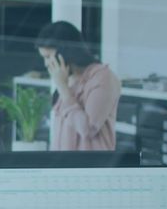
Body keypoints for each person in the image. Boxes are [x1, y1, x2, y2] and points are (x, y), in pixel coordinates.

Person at [35, 20, 122, 151]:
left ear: (64, 51)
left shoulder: (103, 77)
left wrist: (63, 87)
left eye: (48, 57)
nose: (46, 64)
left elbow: (87, 129)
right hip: (64, 166)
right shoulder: (67, 78)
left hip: (90, 167)